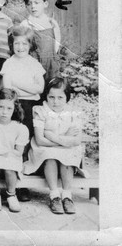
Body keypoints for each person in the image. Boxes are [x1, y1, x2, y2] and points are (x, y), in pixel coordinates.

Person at [24, 78, 86, 215]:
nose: (55, 101)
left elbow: (77, 140)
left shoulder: (73, 112)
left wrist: (53, 137)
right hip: (44, 151)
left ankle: (67, 196)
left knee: (67, 156)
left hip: (64, 150)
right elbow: (40, 140)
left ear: (67, 97)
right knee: (51, 156)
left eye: (60, 97)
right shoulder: (40, 111)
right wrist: (65, 139)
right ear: (46, 96)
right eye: (51, 97)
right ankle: (54, 196)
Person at [1, 25, 45, 140]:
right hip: (15, 104)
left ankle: (26, 154)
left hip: (31, 105)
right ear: (12, 44)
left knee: (29, 132)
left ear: (30, 45)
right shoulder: (9, 63)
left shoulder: (34, 63)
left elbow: (40, 88)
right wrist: (30, 89)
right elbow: (8, 89)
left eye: (24, 44)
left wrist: (17, 83)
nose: (20, 47)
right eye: (17, 43)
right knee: (13, 132)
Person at [20, 0, 61, 83]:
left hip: (51, 64)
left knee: (51, 88)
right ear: (26, 6)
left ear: (45, 4)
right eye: (29, 4)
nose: (33, 6)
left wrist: (52, 59)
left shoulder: (51, 23)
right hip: (33, 63)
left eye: (36, 3)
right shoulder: (25, 24)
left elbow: (56, 44)